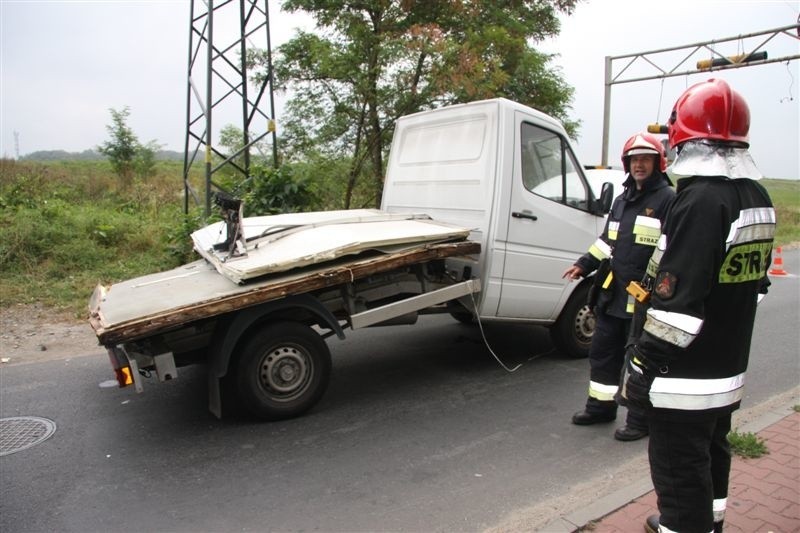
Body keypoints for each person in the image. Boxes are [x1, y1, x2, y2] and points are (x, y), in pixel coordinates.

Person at [617, 78, 776, 533]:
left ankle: (683, 525)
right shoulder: (757, 197)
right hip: (726, 369)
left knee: (678, 468)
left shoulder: (701, 199)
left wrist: (644, 365)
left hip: (684, 378)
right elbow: (755, 288)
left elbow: (676, 306)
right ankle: (709, 521)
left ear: (682, 137)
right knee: (712, 452)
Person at [564, 132, 675, 441]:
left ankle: (640, 420)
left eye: (646, 159)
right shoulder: (622, 200)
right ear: (627, 164)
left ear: (658, 163)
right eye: (634, 159)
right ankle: (600, 408)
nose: (639, 164)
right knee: (602, 353)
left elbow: (672, 250)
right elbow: (607, 241)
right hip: (614, 296)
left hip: (645, 300)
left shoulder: (667, 199)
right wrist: (583, 264)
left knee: (639, 362)